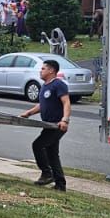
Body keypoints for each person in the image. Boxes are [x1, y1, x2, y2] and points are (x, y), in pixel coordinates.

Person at [19, 57, 71, 191]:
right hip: (48, 125)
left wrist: (64, 119)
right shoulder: (45, 86)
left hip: (57, 125)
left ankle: (47, 173)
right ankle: (60, 185)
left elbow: (66, 102)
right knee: (52, 154)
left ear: (51, 70)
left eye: (43, 68)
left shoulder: (58, 84)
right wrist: (29, 113)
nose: (40, 71)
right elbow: (42, 105)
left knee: (38, 145)